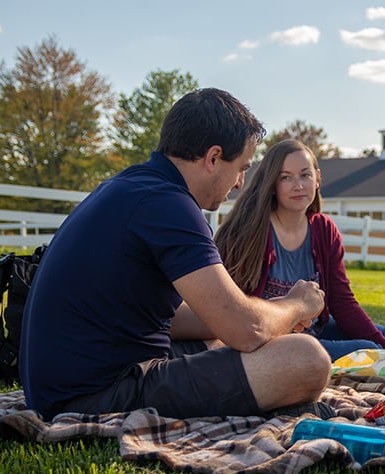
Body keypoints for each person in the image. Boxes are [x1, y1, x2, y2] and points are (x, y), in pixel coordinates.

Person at [20, 88, 332, 422]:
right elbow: (247, 330)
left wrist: (269, 317)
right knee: (307, 359)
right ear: (213, 158)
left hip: (68, 380)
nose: (241, 183)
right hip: (93, 393)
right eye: (241, 167)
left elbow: (196, 319)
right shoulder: (170, 205)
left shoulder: (134, 187)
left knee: (219, 335)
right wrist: (298, 304)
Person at [213, 139, 385, 361]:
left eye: (305, 175)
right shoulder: (249, 232)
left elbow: (341, 303)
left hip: (318, 329)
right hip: (272, 342)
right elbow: (234, 312)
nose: (298, 185)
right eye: (286, 177)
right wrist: (383, 352)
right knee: (365, 349)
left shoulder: (323, 229)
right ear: (272, 184)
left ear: (317, 178)